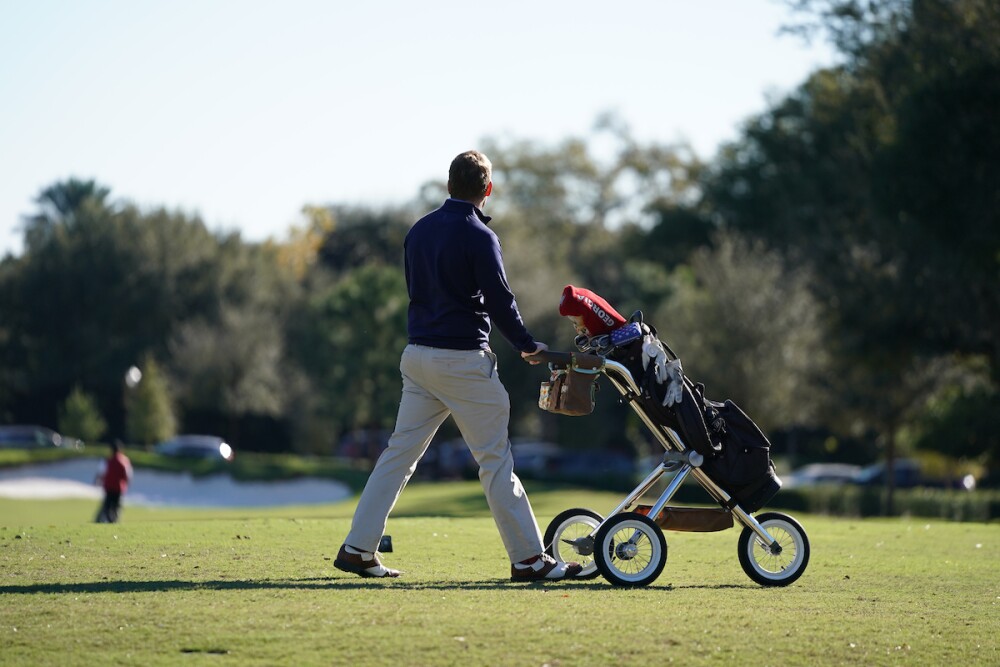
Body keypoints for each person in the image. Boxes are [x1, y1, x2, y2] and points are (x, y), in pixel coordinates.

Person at [335, 150, 582, 582]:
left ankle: (358, 548)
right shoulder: (479, 236)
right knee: (495, 460)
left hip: (417, 358)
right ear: (487, 190)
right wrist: (526, 345)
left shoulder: (419, 230)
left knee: (398, 456)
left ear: (449, 185)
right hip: (464, 361)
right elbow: (500, 301)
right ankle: (528, 559)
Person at [95, 441, 133, 523]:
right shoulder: (125, 460)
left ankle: (101, 520)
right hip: (119, 488)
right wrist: (127, 484)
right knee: (116, 508)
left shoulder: (108, 460)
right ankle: (114, 521)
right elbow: (128, 475)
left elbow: (101, 473)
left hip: (109, 487)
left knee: (107, 507)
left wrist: (97, 481)